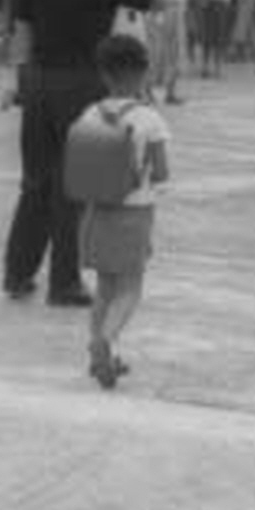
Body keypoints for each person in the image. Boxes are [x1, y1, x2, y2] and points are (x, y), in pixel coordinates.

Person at [1, 0, 155, 309]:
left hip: (39, 82)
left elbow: (22, 31)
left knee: (34, 182)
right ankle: (64, 283)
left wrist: (21, 82)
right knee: (73, 187)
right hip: (83, 85)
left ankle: (16, 273)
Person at [65, 32, 169, 391]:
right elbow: (162, 172)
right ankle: (105, 342)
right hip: (133, 215)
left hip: (95, 214)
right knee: (131, 288)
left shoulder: (90, 112)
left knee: (105, 289)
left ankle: (103, 358)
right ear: (142, 72)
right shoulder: (149, 119)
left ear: (104, 74)